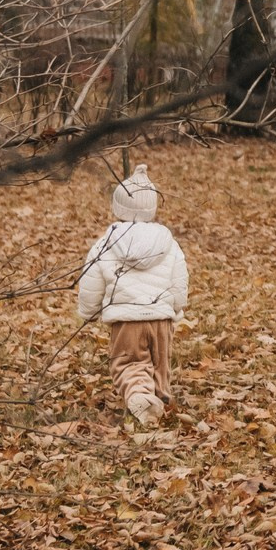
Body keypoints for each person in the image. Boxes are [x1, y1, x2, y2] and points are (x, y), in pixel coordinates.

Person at [77, 165, 191, 423]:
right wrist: (176, 306)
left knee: (130, 364)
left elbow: (92, 280)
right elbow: (179, 278)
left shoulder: (106, 243)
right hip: (161, 318)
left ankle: (140, 396)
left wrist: (88, 311)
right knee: (160, 365)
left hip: (126, 320)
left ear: (118, 208)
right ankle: (159, 398)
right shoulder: (168, 243)